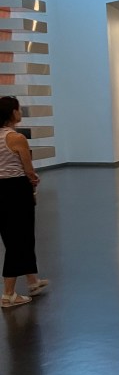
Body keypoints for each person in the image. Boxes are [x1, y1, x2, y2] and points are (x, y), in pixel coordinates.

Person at [0, 96, 48, 308]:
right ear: (12, 113)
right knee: (19, 239)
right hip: (16, 190)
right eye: (18, 109)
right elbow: (28, 170)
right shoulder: (16, 138)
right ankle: (8, 294)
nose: (20, 112)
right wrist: (34, 181)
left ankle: (32, 281)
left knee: (15, 236)